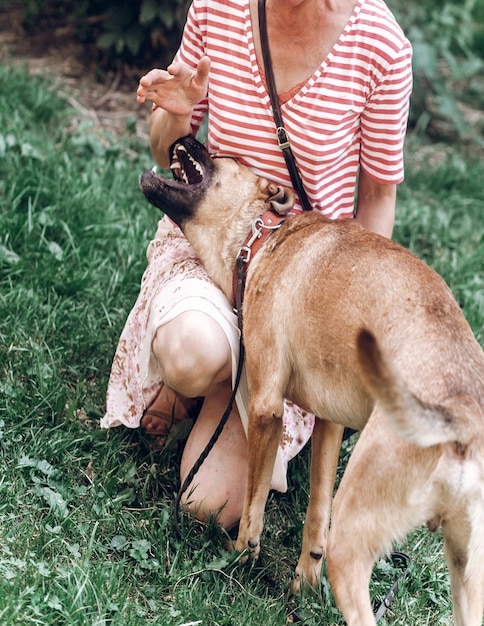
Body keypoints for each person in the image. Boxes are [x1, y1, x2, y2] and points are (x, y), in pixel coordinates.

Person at [101, 0, 413, 530]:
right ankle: (204, 374)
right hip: (210, 255)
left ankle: (231, 390)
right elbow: (165, 152)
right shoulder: (218, 8)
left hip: (300, 292)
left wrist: (347, 305)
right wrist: (177, 112)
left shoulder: (381, 44)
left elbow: (379, 197)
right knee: (190, 353)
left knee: (209, 508)